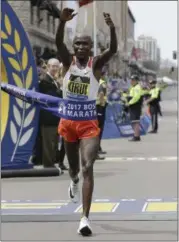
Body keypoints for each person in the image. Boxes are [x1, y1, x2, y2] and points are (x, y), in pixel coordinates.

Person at [55, 7, 117, 236]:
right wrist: (61, 23)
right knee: (74, 169)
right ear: (74, 47)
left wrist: (111, 29)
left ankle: (84, 218)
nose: (81, 47)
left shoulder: (96, 65)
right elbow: (58, 42)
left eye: (85, 44)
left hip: (88, 123)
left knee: (88, 166)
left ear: (90, 48)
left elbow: (113, 49)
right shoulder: (66, 62)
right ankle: (73, 180)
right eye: (78, 44)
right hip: (69, 122)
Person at [39, 58, 68, 170]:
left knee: (55, 142)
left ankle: (53, 163)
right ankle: (48, 165)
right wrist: (60, 89)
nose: (55, 69)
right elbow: (52, 97)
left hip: (56, 117)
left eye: (57, 66)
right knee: (48, 143)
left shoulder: (54, 80)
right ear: (48, 66)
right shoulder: (44, 80)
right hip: (48, 117)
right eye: (53, 66)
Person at [126, 75, 143, 141]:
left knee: (135, 122)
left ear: (136, 81)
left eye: (133, 80)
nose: (131, 81)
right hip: (133, 105)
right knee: (134, 121)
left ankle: (136, 136)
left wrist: (129, 103)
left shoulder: (137, 87)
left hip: (135, 106)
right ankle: (136, 135)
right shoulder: (134, 87)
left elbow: (136, 97)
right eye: (131, 80)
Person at [96, 72, 108, 157]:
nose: (105, 76)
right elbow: (101, 94)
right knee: (99, 128)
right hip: (99, 107)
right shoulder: (101, 83)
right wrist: (103, 104)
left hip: (95, 107)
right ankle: (96, 149)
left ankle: (98, 148)